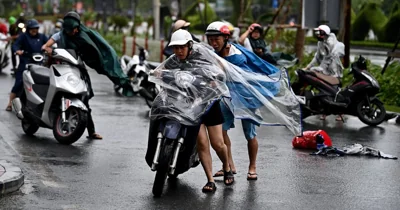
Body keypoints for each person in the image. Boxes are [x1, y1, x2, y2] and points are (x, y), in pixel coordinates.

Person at [206, 21, 282, 181]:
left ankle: (252, 167)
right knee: (221, 131)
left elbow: (225, 71)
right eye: (210, 39)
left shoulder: (237, 56)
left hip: (247, 98)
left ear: (226, 38)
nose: (213, 43)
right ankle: (229, 165)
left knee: (250, 134)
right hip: (227, 97)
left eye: (216, 39)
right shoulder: (214, 53)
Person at [162, 29, 234, 192]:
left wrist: (216, 80)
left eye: (182, 47)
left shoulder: (202, 56)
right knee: (202, 143)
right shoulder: (174, 60)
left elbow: (221, 69)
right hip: (191, 106)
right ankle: (210, 180)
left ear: (189, 45)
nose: (179, 51)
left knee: (218, 144)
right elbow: (162, 71)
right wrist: (156, 74)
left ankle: (227, 167)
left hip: (209, 104)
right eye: (175, 48)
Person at [42, 11, 133, 139]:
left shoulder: (87, 35)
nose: (72, 32)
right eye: (69, 30)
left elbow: (101, 50)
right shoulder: (60, 35)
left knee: (83, 99)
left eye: (74, 29)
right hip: (61, 68)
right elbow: (47, 44)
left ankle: (91, 131)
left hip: (77, 70)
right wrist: (47, 48)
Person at [5, 19, 48, 111]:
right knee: (19, 82)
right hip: (25, 62)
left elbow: (49, 44)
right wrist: (17, 50)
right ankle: (10, 103)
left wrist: (49, 49)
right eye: (32, 28)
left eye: (36, 28)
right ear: (28, 29)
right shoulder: (23, 37)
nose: (34, 30)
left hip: (39, 64)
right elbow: (15, 45)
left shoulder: (42, 37)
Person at [304, 25, 345, 121]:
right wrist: (308, 67)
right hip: (325, 71)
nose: (318, 35)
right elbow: (317, 57)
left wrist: (320, 68)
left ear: (325, 34)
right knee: (323, 91)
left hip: (334, 71)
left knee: (335, 91)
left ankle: (341, 112)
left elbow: (328, 58)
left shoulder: (333, 44)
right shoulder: (321, 43)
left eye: (320, 33)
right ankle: (325, 111)